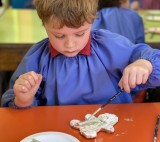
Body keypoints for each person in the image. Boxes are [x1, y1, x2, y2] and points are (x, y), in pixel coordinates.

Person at [1, 0, 160, 108]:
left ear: (92, 21)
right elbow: (14, 106)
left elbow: (152, 61)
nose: (70, 45)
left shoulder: (111, 46)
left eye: (80, 33)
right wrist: (23, 99)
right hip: (60, 137)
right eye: (59, 35)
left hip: (117, 129)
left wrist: (145, 64)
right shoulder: (37, 58)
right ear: (44, 25)